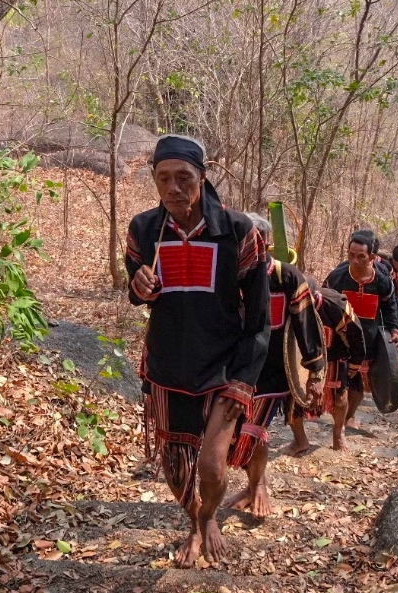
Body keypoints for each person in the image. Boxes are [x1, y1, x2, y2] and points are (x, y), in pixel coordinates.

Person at [125, 135, 271, 567]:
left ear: (202, 177)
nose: (173, 188)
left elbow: (260, 318)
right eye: (163, 178)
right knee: (176, 465)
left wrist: (245, 380)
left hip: (224, 368)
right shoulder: (144, 229)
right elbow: (136, 285)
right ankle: (192, 521)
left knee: (210, 466)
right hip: (168, 366)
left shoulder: (238, 231)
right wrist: (138, 288)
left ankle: (209, 516)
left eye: (184, 177)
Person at [225, 215, 326, 518]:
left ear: (265, 242)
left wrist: (315, 372)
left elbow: (306, 325)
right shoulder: (227, 274)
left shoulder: (288, 277)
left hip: (272, 373)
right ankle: (254, 483)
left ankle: (258, 487)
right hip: (232, 369)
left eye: (252, 239)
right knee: (233, 434)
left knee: (254, 433)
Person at [324, 230, 398, 431]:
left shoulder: (382, 281)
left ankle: (349, 416)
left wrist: (394, 329)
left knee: (357, 387)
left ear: (372, 257)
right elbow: (323, 304)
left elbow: (390, 305)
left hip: (368, 340)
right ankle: (335, 416)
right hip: (340, 339)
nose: (354, 260)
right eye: (351, 255)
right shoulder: (337, 277)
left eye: (361, 256)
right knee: (338, 382)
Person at [314, 287, 368, 450]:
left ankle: (338, 433)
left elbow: (356, 334)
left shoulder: (336, 306)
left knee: (339, 396)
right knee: (294, 399)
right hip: (300, 356)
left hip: (335, 354)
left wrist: (355, 362)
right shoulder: (291, 303)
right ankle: (299, 439)